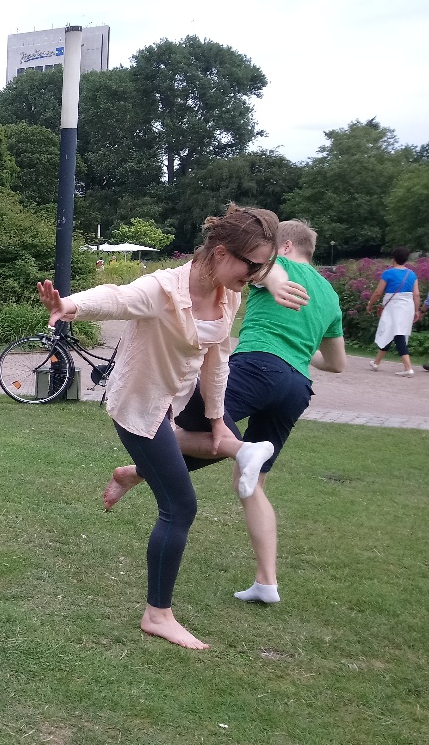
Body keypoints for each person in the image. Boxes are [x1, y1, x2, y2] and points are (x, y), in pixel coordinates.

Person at [35, 205, 303, 650]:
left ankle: (134, 472)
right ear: (221, 254)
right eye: (253, 265)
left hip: (179, 399)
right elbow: (117, 297)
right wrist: (68, 306)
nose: (257, 275)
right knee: (180, 506)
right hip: (140, 407)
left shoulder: (227, 293)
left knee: (224, 443)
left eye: (265, 267)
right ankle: (157, 614)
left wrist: (217, 420)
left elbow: (217, 362)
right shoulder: (162, 289)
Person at [102, 218, 346, 606]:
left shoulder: (266, 267)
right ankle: (267, 582)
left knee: (178, 428)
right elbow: (336, 363)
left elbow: (255, 265)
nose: (256, 272)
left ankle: (136, 471)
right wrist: (300, 346)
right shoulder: (328, 293)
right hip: (296, 385)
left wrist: (275, 287)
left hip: (258, 367)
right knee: (251, 475)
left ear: (279, 248)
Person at [366, 247, 420, 376]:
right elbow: (416, 294)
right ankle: (376, 363)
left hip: (394, 307)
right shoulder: (412, 274)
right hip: (408, 306)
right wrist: (417, 310)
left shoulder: (388, 273)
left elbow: (378, 292)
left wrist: (370, 303)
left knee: (398, 333)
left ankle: (408, 368)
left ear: (393, 259)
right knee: (393, 331)